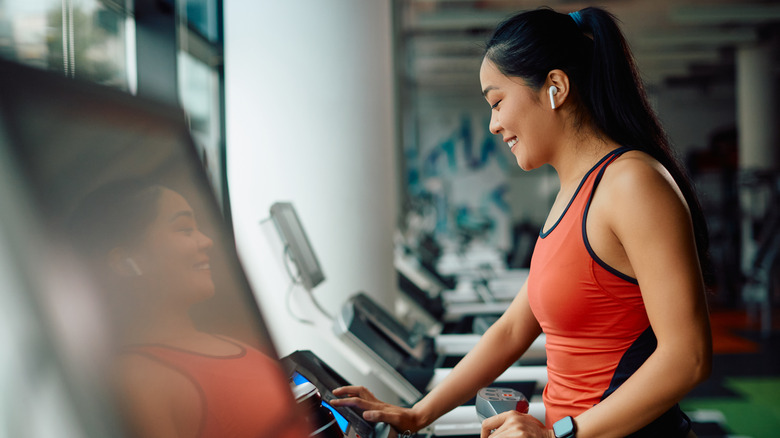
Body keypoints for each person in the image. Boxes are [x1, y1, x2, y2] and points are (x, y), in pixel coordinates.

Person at [330, 7, 712, 438]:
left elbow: (688, 357)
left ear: (555, 87)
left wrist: (558, 435)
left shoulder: (631, 183)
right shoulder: (571, 193)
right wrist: (419, 413)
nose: (494, 125)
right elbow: (512, 329)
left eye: (497, 102)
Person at [68, 180, 310, 438]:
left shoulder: (230, 343)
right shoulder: (138, 382)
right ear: (128, 262)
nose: (206, 241)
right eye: (184, 229)